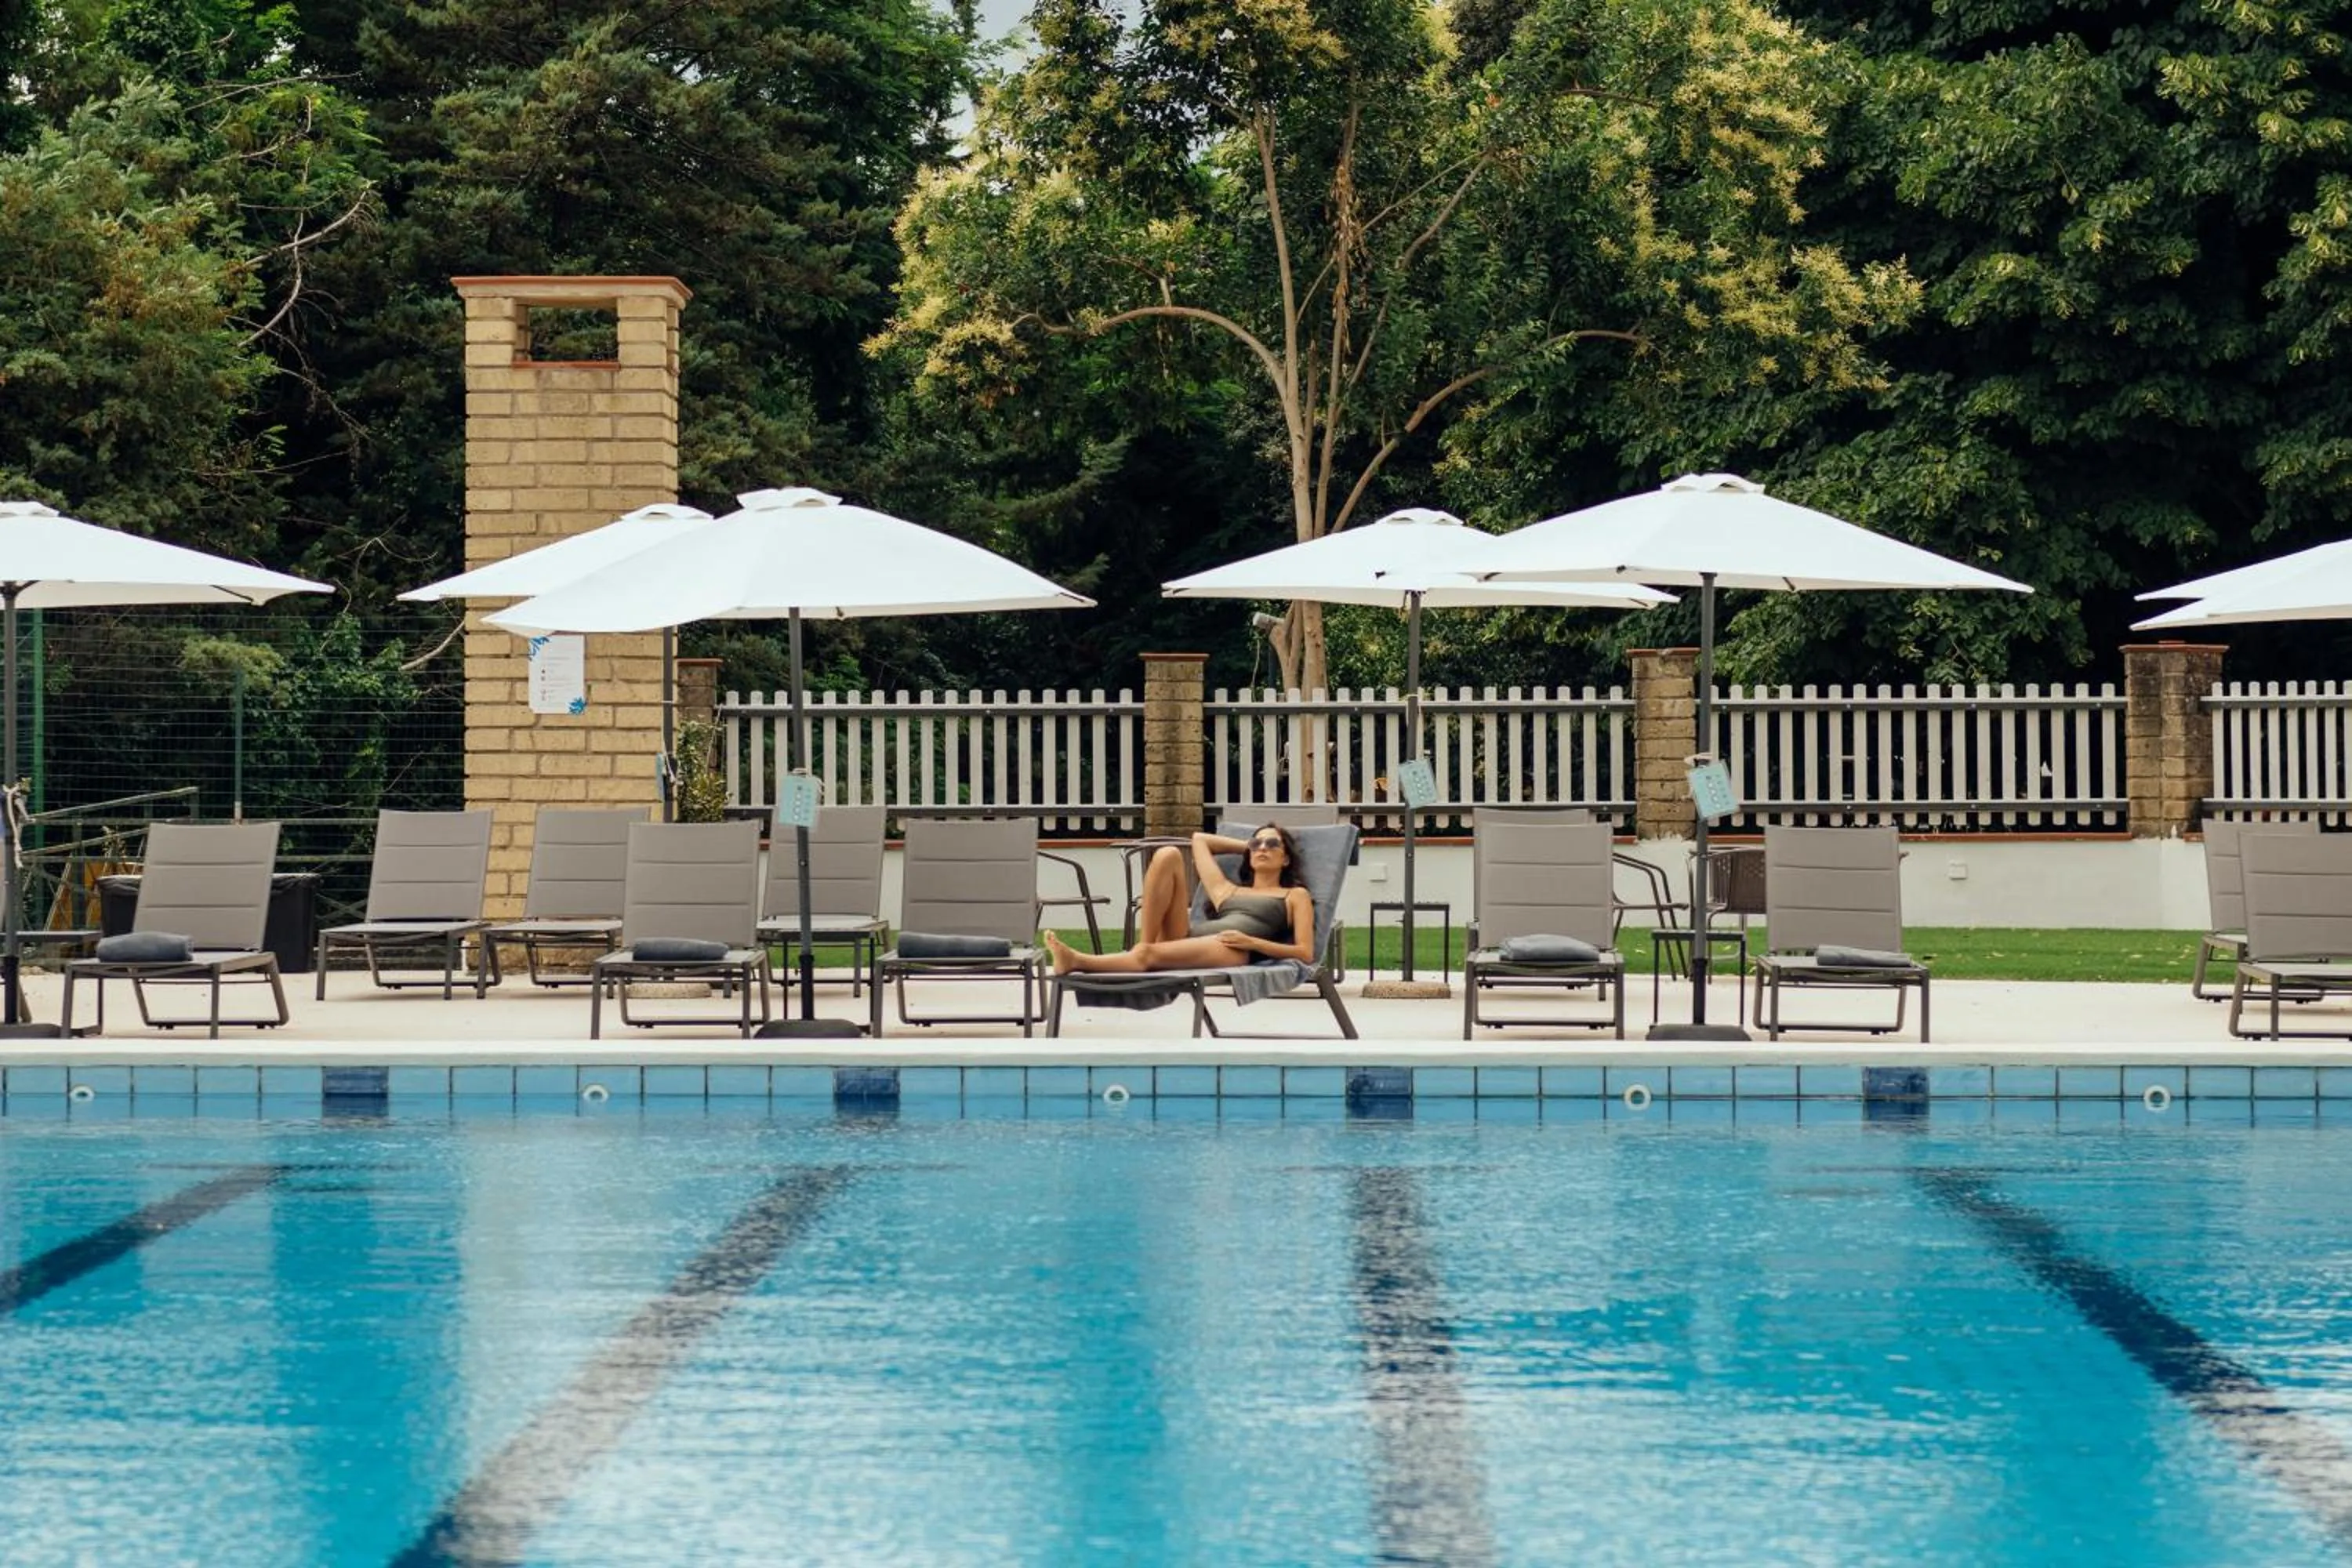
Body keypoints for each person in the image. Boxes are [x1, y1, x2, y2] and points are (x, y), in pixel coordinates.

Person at [1044, 825, 1316, 975]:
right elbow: (1200, 840)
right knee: (1168, 854)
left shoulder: (1295, 895)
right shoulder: (1226, 890)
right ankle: (1143, 946)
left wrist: (1252, 943)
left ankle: (1078, 961)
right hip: (1189, 936)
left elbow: (1305, 953)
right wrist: (1247, 846)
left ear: (1287, 858)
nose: (1263, 849)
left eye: (1272, 845)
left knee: (1148, 956)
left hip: (1230, 948)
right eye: (1257, 844)